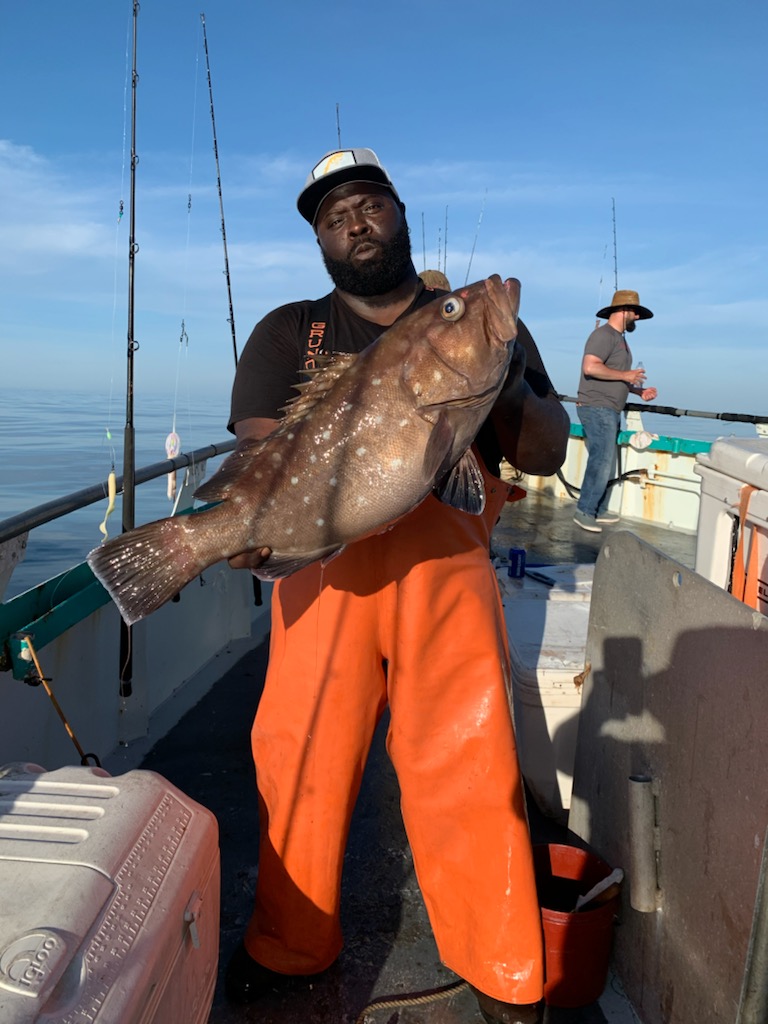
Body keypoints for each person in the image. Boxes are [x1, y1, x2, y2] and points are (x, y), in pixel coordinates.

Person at [224, 147, 570, 1024]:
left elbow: (544, 453)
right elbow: (262, 450)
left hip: (447, 572)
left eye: (368, 202)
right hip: (323, 576)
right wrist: (253, 527)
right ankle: (290, 942)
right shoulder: (288, 332)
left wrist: (497, 378)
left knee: (469, 762)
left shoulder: (483, 324)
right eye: (331, 215)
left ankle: (500, 961)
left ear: (399, 212)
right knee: (300, 761)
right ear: (320, 240)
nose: (354, 220)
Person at [573, 289, 658, 533]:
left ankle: (597, 509)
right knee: (600, 461)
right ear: (623, 311)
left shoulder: (620, 339)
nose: (637, 317)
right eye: (635, 312)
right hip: (596, 407)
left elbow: (615, 375)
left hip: (609, 409)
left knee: (606, 461)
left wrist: (637, 391)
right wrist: (626, 375)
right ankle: (585, 511)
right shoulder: (603, 335)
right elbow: (590, 367)